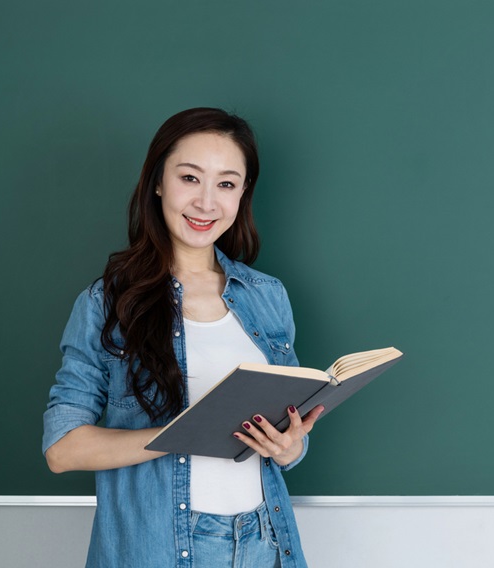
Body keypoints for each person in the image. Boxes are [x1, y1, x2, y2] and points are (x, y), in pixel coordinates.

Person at [42, 107, 323, 568]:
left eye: (226, 184)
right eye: (190, 178)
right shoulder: (106, 304)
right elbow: (62, 449)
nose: (207, 203)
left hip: (264, 542)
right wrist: (183, 434)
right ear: (157, 181)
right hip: (159, 548)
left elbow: (289, 437)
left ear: (242, 194)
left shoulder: (268, 297)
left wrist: (290, 446)